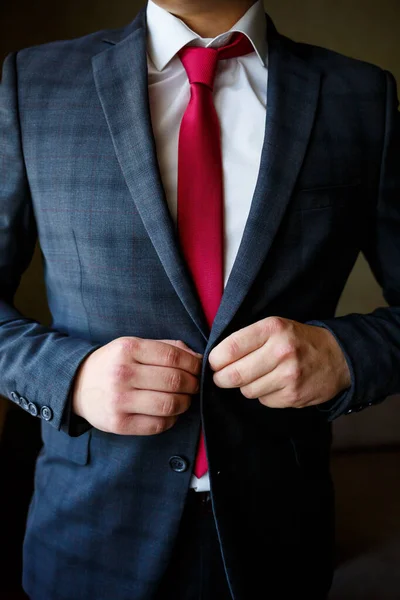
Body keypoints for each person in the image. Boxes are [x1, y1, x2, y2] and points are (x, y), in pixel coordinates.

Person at [0, 0, 399, 597]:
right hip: (87, 533)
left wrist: (344, 355)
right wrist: (71, 377)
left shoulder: (361, 95)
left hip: (281, 535)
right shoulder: (33, 83)